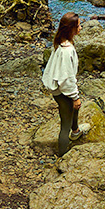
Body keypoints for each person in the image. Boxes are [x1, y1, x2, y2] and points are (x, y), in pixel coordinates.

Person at [42, 12, 91, 156]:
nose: (81, 28)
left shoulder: (60, 42)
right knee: (65, 124)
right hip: (61, 91)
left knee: (74, 108)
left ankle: (76, 131)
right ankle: (62, 155)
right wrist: (75, 97)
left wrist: (75, 98)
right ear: (71, 29)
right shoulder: (67, 51)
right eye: (78, 25)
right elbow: (67, 79)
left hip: (58, 87)